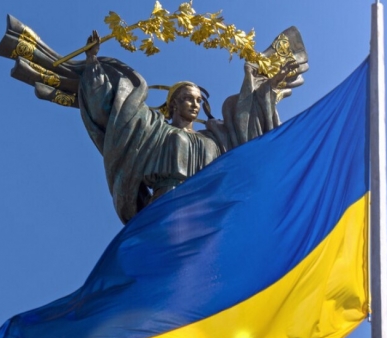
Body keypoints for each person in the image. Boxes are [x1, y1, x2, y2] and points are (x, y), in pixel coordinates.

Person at [79, 30, 306, 223]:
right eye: (188, 98)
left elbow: (247, 125)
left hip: (208, 210)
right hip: (165, 205)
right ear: (174, 104)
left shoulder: (216, 138)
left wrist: (268, 88)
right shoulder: (155, 131)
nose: (195, 104)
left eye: (198, 100)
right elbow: (117, 112)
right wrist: (92, 64)